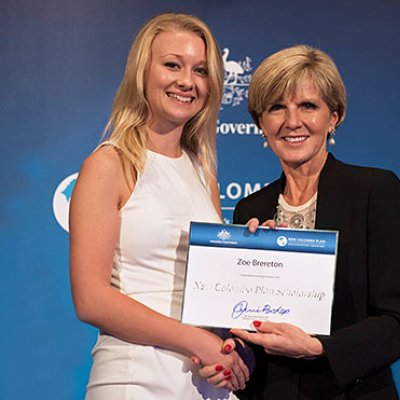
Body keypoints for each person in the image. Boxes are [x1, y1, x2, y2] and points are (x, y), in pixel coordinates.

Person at [69, 13, 249, 399]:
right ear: (142, 73)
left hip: (204, 382)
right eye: (172, 65)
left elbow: (211, 293)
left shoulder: (204, 174)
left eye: (200, 70)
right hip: (135, 379)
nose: (187, 81)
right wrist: (195, 341)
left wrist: (222, 348)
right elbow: (91, 298)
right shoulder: (109, 164)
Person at [212, 45, 400, 399]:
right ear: (260, 123)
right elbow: (251, 329)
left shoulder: (374, 191)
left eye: (308, 106)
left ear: (334, 117)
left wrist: (319, 348)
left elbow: (396, 320)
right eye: (277, 107)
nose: (292, 121)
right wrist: (234, 354)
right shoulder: (250, 209)